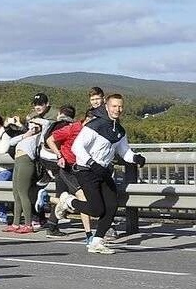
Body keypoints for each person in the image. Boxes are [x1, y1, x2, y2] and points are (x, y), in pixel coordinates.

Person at [56, 93, 145, 254]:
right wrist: (91, 163)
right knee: (97, 210)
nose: (117, 109)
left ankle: (96, 242)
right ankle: (67, 201)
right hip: (86, 170)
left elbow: (123, 151)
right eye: (114, 106)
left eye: (120, 106)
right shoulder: (94, 125)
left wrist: (135, 158)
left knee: (111, 205)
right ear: (106, 106)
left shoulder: (119, 130)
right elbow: (77, 147)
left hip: (103, 171)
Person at [46, 108, 94, 242]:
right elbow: (50, 140)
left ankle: (47, 204)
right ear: (87, 120)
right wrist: (59, 155)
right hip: (68, 168)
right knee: (83, 197)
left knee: (62, 196)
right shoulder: (72, 128)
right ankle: (89, 234)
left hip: (82, 167)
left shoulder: (93, 131)